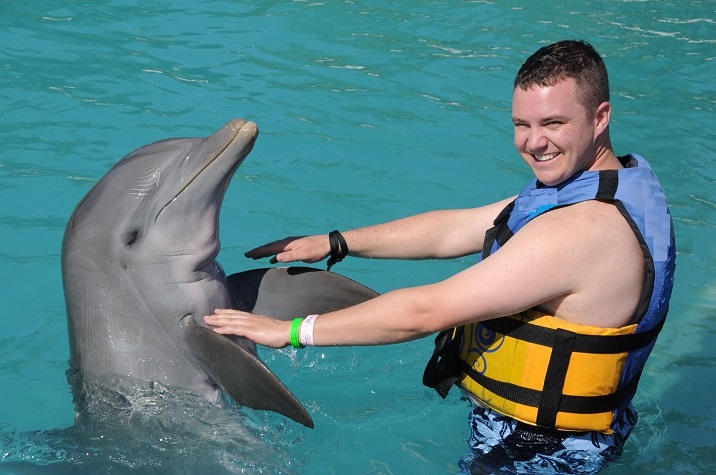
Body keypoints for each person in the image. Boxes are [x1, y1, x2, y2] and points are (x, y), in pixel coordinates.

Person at [205, 40, 675, 474]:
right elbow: (459, 227)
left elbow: (422, 312)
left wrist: (287, 331)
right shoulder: (604, 188)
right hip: (573, 430)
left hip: (538, 453)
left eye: (553, 124)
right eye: (521, 124)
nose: (533, 143)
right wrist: (337, 241)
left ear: (600, 117)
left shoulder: (581, 230)